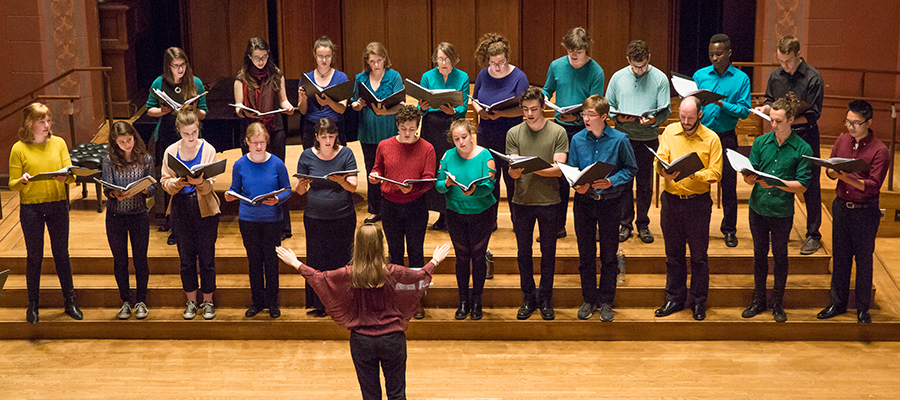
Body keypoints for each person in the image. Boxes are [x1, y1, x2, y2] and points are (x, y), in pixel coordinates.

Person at [276, 225, 451, 400]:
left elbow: (320, 278)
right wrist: (435, 261)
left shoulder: (348, 274)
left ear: (357, 245)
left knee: (370, 396)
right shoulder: (393, 272)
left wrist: (296, 263)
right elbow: (419, 276)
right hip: (393, 341)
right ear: (381, 244)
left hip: (362, 342)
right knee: (397, 394)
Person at [740, 94, 812, 323]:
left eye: (779, 121)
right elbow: (749, 175)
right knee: (759, 254)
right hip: (758, 207)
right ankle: (758, 300)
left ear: (791, 120)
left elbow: (802, 185)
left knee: (780, 256)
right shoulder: (761, 142)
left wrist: (776, 183)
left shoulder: (802, 147)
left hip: (782, 210)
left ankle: (778, 303)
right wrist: (749, 178)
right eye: (771, 120)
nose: (773, 124)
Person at [818, 100, 889, 324]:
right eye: (848, 122)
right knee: (840, 257)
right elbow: (830, 171)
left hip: (865, 212)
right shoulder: (841, 140)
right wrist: (832, 173)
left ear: (868, 122)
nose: (850, 127)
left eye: (856, 123)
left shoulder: (880, 150)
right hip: (841, 207)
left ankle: (862, 308)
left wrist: (845, 176)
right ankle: (837, 304)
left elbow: (873, 185)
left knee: (864, 260)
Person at [9, 103, 81, 324]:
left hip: (58, 204)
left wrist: (66, 178)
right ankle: (33, 305)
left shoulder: (58, 143)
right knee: (34, 257)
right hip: (31, 208)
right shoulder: (18, 149)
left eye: (48, 120)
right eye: (41, 121)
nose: (47, 125)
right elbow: (12, 184)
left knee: (62, 254)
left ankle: (70, 302)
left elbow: (72, 176)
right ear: (29, 124)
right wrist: (21, 181)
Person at [567, 95, 637, 321]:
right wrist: (576, 184)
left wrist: (611, 181)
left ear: (604, 116)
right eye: (584, 114)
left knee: (608, 254)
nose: (585, 119)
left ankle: (606, 300)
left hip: (610, 202)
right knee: (585, 254)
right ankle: (588, 299)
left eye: (590, 115)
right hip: (584, 202)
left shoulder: (620, 139)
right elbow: (573, 170)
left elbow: (630, 169)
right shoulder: (577, 139)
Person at [653, 96, 722, 321]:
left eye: (690, 117)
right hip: (672, 201)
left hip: (697, 203)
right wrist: (663, 170)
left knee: (699, 256)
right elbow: (660, 160)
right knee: (673, 254)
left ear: (700, 115)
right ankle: (674, 299)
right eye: (682, 117)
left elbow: (716, 173)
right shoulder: (670, 132)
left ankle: (698, 302)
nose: (685, 121)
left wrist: (694, 173)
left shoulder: (712, 138)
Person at [754, 35, 825, 255]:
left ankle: (813, 235)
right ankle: (776, 227)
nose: (784, 66)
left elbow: (814, 114)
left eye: (788, 61)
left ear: (798, 55)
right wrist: (766, 109)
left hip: (805, 135)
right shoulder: (776, 76)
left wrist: (790, 120)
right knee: (775, 177)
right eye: (781, 61)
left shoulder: (813, 78)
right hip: (780, 135)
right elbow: (769, 99)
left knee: (810, 185)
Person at [506, 86, 569, 320]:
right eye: (525, 109)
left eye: (534, 109)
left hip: (549, 201)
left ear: (544, 107)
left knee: (548, 253)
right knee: (523, 253)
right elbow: (514, 167)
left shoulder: (558, 132)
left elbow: (558, 171)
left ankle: (545, 299)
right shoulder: (513, 133)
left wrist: (532, 168)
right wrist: (514, 174)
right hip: (521, 200)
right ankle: (528, 298)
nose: (529, 114)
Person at [368, 105, 435, 319]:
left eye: (412, 129)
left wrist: (414, 187)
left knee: (416, 253)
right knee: (395, 254)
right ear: (397, 125)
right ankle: (395, 301)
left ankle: (415, 301)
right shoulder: (384, 145)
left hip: (416, 205)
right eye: (403, 128)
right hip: (390, 205)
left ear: (418, 126)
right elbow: (377, 168)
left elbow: (429, 179)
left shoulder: (427, 148)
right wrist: (374, 175)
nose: (407, 133)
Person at [541, 26, 605, 240]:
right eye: (570, 50)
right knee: (559, 179)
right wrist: (543, 99)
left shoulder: (596, 71)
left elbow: (596, 105)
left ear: (587, 48)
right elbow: (546, 89)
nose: (573, 55)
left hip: (584, 129)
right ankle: (557, 226)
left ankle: (589, 226)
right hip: (560, 129)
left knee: (586, 177)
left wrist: (578, 118)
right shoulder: (556, 65)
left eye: (578, 51)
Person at [606, 39, 671, 244]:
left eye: (643, 66)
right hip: (623, 137)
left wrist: (654, 120)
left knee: (645, 184)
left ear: (649, 58)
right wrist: (617, 118)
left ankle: (643, 224)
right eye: (635, 66)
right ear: (628, 60)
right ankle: (625, 224)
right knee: (624, 182)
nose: (640, 70)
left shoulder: (660, 78)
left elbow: (666, 110)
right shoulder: (618, 77)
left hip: (647, 137)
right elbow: (608, 106)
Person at [224, 122, 292, 319]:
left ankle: (273, 303)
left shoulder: (277, 163)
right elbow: (235, 188)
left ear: (267, 141)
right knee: (254, 262)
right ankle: (257, 302)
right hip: (248, 219)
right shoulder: (240, 164)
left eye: (262, 142)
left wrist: (277, 199)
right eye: (255, 143)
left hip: (272, 219)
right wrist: (230, 195)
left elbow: (287, 189)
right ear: (247, 142)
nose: (259, 147)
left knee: (271, 262)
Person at [294, 118, 359, 318]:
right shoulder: (306, 156)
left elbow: (353, 186)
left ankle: (343, 302)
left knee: (342, 260)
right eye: (324, 137)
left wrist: (342, 181)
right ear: (316, 137)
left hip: (343, 216)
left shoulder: (346, 153)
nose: (328, 141)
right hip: (315, 217)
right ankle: (319, 304)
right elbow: (299, 191)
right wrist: (302, 184)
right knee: (317, 260)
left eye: (331, 136)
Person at [161, 110, 222, 320]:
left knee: (206, 257)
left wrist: (201, 183)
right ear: (179, 131)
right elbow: (164, 182)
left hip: (204, 208)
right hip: (180, 208)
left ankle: (208, 301)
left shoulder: (208, 150)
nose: (191, 137)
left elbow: (212, 185)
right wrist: (178, 183)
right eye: (186, 133)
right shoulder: (170, 151)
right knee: (186, 258)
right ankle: (191, 301)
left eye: (194, 132)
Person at [233, 37, 295, 241]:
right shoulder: (241, 78)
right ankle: (255, 219)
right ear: (249, 57)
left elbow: (283, 99)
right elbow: (238, 107)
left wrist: (287, 106)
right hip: (251, 131)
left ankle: (282, 225)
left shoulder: (276, 74)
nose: (260, 61)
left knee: (276, 176)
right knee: (252, 176)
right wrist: (240, 108)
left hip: (274, 128)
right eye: (256, 58)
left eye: (264, 57)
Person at [693, 33, 751, 247]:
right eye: (711, 54)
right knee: (701, 183)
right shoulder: (700, 75)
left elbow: (744, 111)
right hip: (702, 137)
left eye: (718, 54)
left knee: (728, 186)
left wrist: (721, 104)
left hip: (726, 137)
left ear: (729, 53)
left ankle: (729, 229)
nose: (714, 58)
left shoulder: (741, 79)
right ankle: (700, 227)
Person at [145, 47, 208, 245]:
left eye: (183, 65)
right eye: (176, 66)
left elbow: (204, 113)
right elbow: (149, 110)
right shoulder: (160, 82)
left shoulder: (195, 82)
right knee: (171, 177)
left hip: (189, 135)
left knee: (193, 175)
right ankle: (172, 224)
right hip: (168, 132)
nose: (180, 70)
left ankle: (197, 219)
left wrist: (195, 110)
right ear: (168, 66)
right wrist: (162, 110)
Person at [435, 119, 496, 320]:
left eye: (464, 137)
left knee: (478, 257)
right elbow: (439, 186)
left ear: (472, 134)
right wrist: (447, 183)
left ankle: (477, 300)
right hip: (456, 212)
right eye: (456, 139)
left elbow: (489, 186)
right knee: (462, 258)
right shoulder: (448, 156)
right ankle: (463, 301)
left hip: (481, 214)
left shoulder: (485, 156)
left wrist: (474, 191)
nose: (461, 142)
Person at [472, 33, 529, 227]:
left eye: (502, 62)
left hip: (511, 134)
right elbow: (475, 99)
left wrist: (502, 114)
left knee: (513, 179)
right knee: (490, 178)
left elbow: (524, 107)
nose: (497, 67)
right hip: (487, 132)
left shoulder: (519, 76)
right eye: (493, 63)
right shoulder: (482, 75)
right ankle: (490, 220)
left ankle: (518, 221)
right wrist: (480, 110)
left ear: (507, 58)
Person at [102, 121, 156, 320]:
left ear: (135, 137)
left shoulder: (145, 159)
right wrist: (114, 193)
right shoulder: (109, 160)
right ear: (115, 143)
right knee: (120, 261)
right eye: (122, 142)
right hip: (115, 216)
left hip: (139, 215)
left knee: (140, 259)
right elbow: (107, 187)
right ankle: (125, 300)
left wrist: (144, 189)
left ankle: (141, 300)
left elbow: (153, 186)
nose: (127, 145)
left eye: (129, 140)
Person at [418, 42, 470, 231]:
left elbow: (464, 106)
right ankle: (439, 213)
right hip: (431, 125)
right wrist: (421, 108)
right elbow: (420, 106)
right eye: (440, 59)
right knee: (434, 168)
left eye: (447, 59)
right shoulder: (427, 76)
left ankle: (451, 212)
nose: (443, 62)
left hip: (451, 125)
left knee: (450, 167)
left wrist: (454, 110)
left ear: (454, 59)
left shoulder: (462, 76)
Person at [351, 42, 405, 224]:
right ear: (367, 61)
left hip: (389, 131)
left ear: (385, 59)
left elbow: (401, 104)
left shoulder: (394, 76)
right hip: (368, 132)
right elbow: (353, 103)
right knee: (372, 170)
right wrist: (357, 105)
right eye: (372, 61)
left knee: (391, 169)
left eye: (379, 60)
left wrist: (385, 111)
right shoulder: (361, 78)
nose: (376, 65)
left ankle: (391, 207)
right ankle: (375, 209)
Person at [297, 36, 349, 148]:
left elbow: (342, 109)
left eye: (327, 56)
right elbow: (302, 111)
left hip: (335, 127)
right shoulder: (306, 78)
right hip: (312, 128)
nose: (324, 60)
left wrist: (329, 102)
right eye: (320, 56)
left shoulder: (341, 77)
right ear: (315, 55)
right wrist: (303, 98)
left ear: (332, 55)